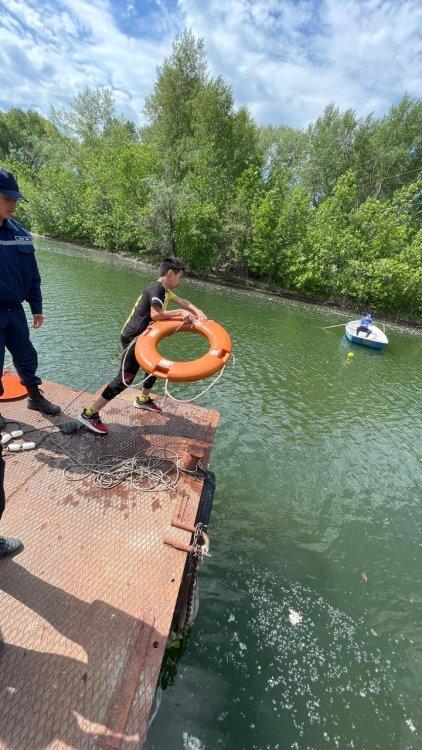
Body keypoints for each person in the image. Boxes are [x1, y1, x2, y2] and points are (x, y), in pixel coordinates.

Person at [78, 256, 207, 434]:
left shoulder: (165, 291)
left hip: (144, 337)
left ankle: (143, 400)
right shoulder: (157, 288)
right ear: (170, 274)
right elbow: (156, 314)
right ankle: (89, 414)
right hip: (133, 337)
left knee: (153, 367)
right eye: (180, 277)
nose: (180, 281)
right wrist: (180, 312)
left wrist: (197, 311)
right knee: (125, 379)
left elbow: (183, 301)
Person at [0, 168, 60, 423]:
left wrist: (37, 306)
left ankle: (35, 397)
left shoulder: (20, 234)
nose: (13, 204)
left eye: (15, 199)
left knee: (26, 354)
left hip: (14, 310)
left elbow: (32, 274)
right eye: (7, 198)